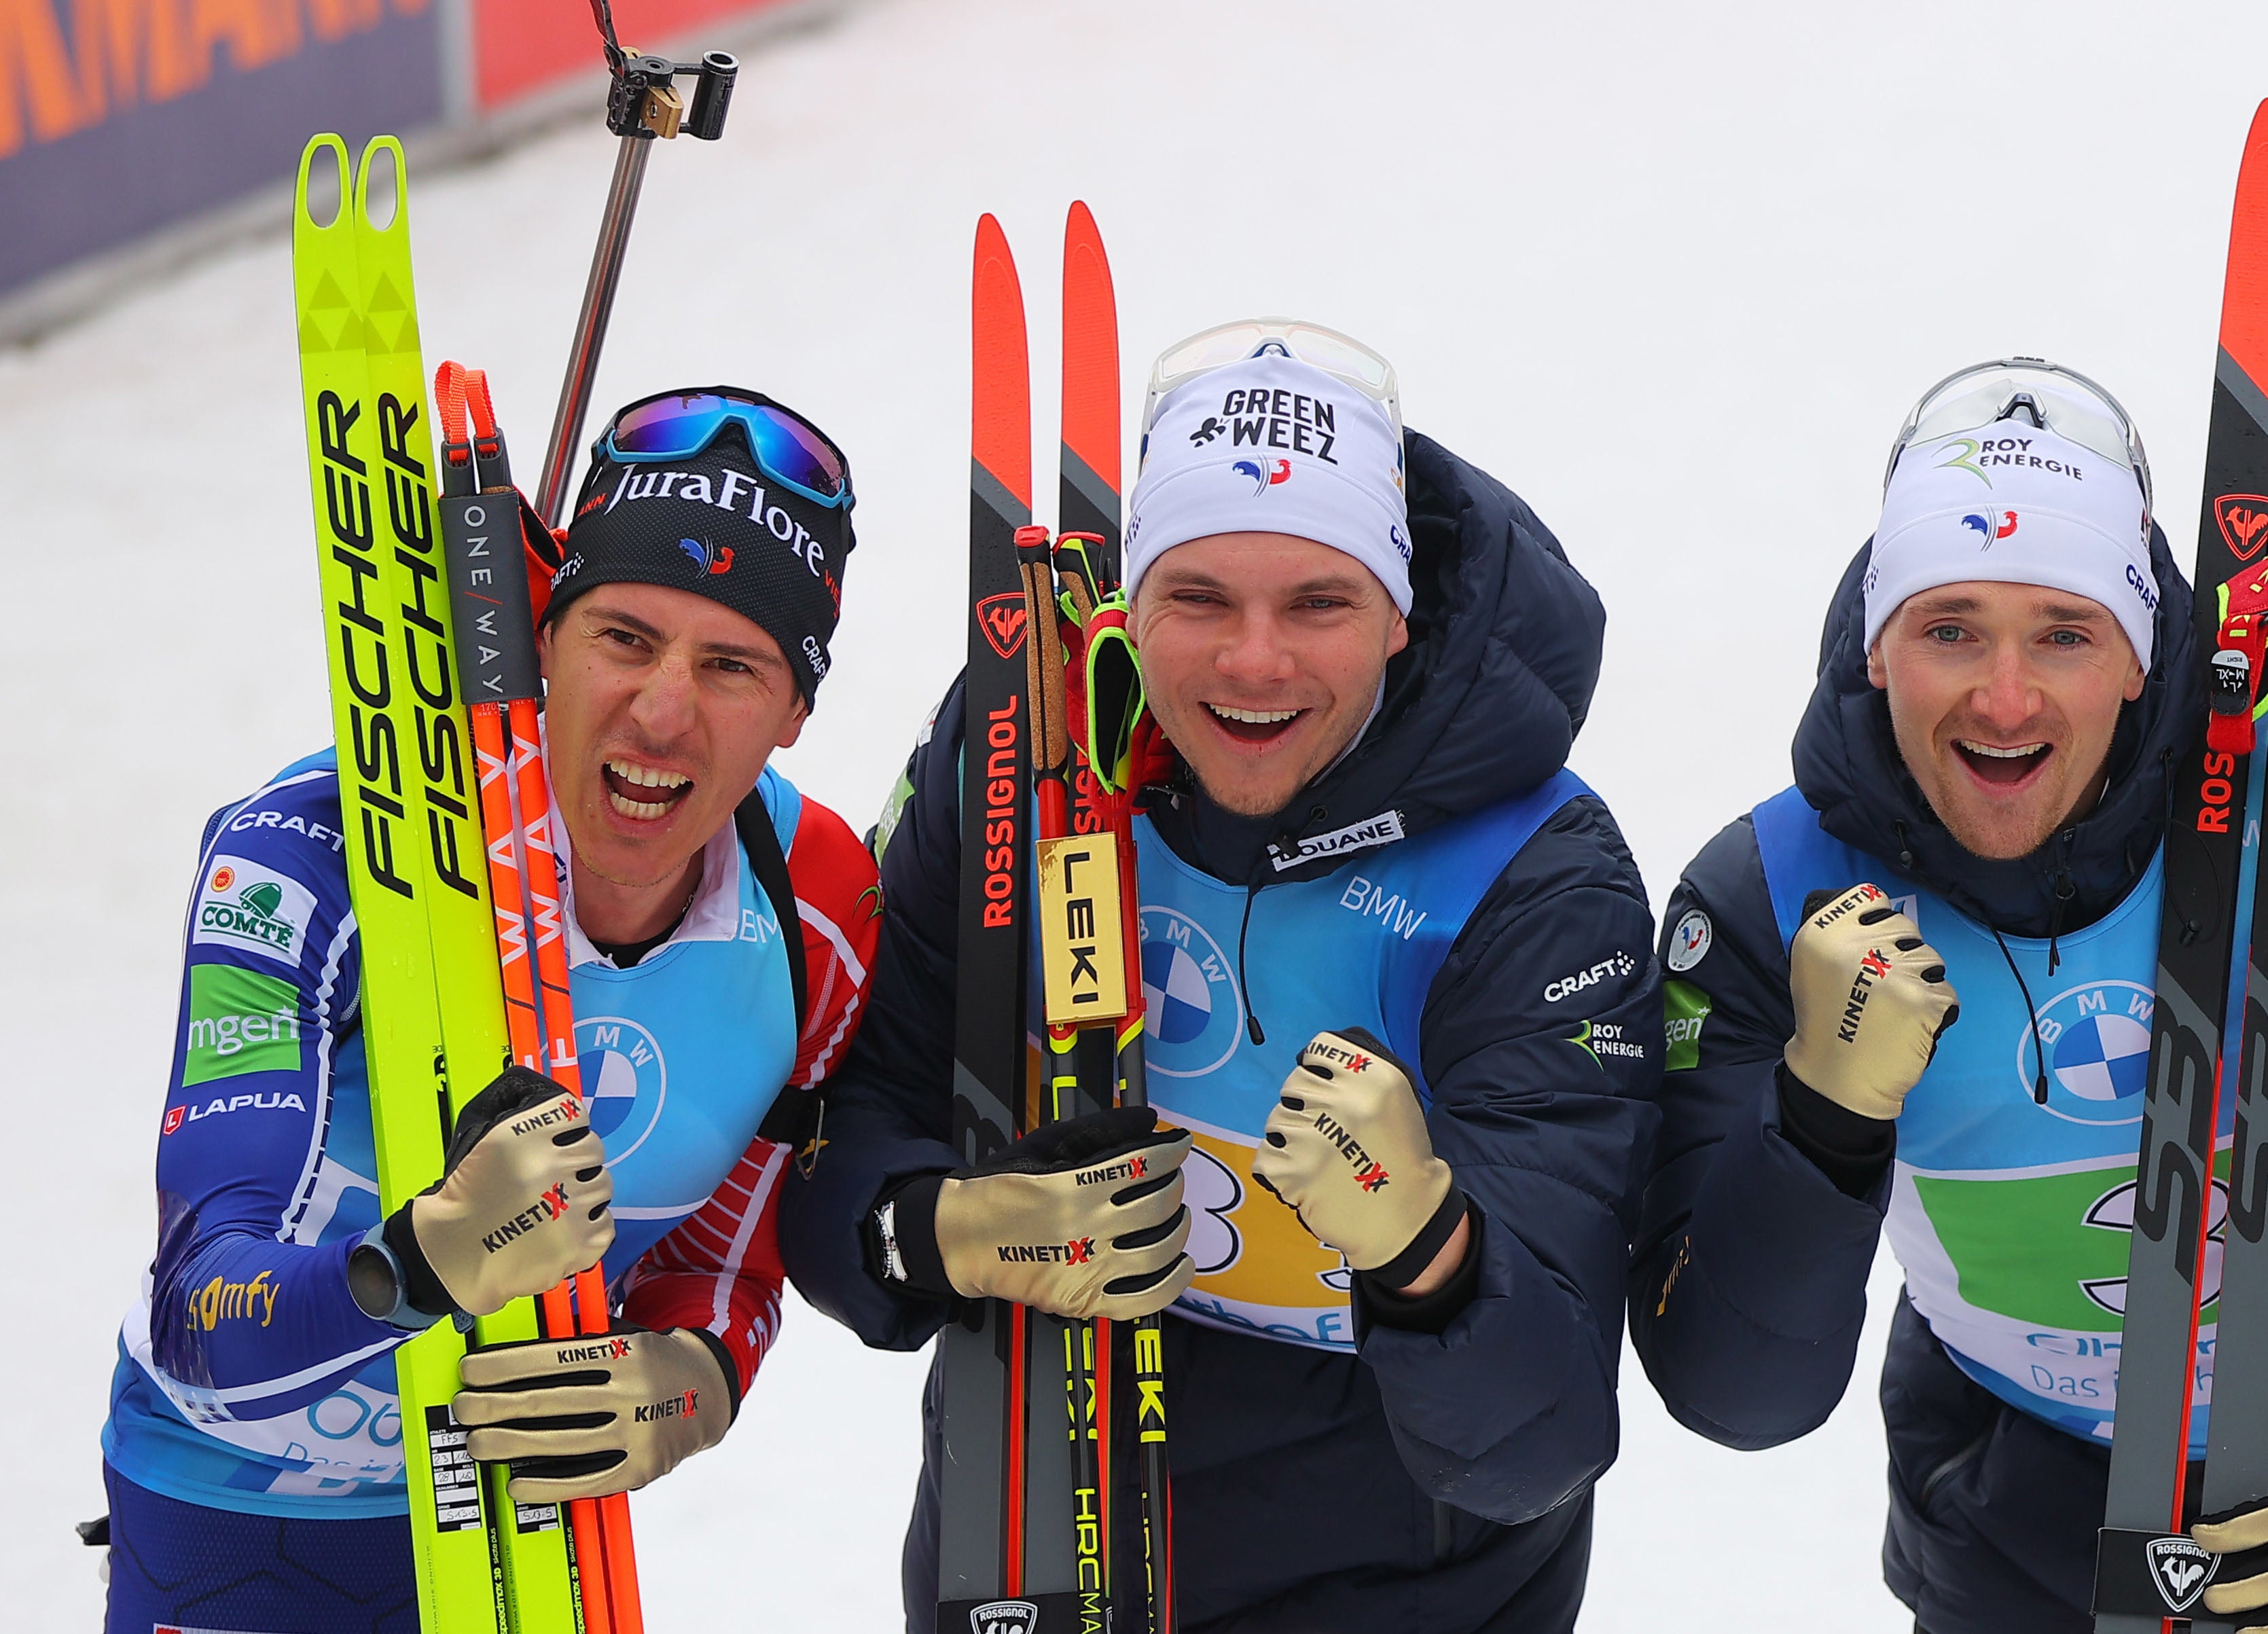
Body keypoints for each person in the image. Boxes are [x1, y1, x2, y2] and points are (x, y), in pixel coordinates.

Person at [780, 321, 1659, 1632]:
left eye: (1318, 603)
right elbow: (842, 1126)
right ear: (1132, 601)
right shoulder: (1018, 746)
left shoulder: (1529, 874)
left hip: (1403, 1585)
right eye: (1196, 599)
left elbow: (1537, 1439)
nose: (1254, 662)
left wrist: (1425, 1248)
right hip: (1032, 1532)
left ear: (1398, 616)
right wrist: (942, 1227)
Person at [1628, 360, 2268, 1633]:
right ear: (1878, 645)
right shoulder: (1767, 894)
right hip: (2020, 1531)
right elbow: (1737, 1395)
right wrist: (1821, 1119)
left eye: (2064, 632)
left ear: (2142, 658)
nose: (2005, 697)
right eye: (1949, 629)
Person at [99, 387, 883, 1633]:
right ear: (544, 639)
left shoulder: (822, 907)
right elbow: (200, 1316)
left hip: (522, 1531)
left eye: (731, 665)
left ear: (795, 712)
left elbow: (723, 1263)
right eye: (624, 637)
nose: (663, 711)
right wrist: (424, 1262)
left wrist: (691, 1381)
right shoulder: (309, 854)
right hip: (233, 1524)